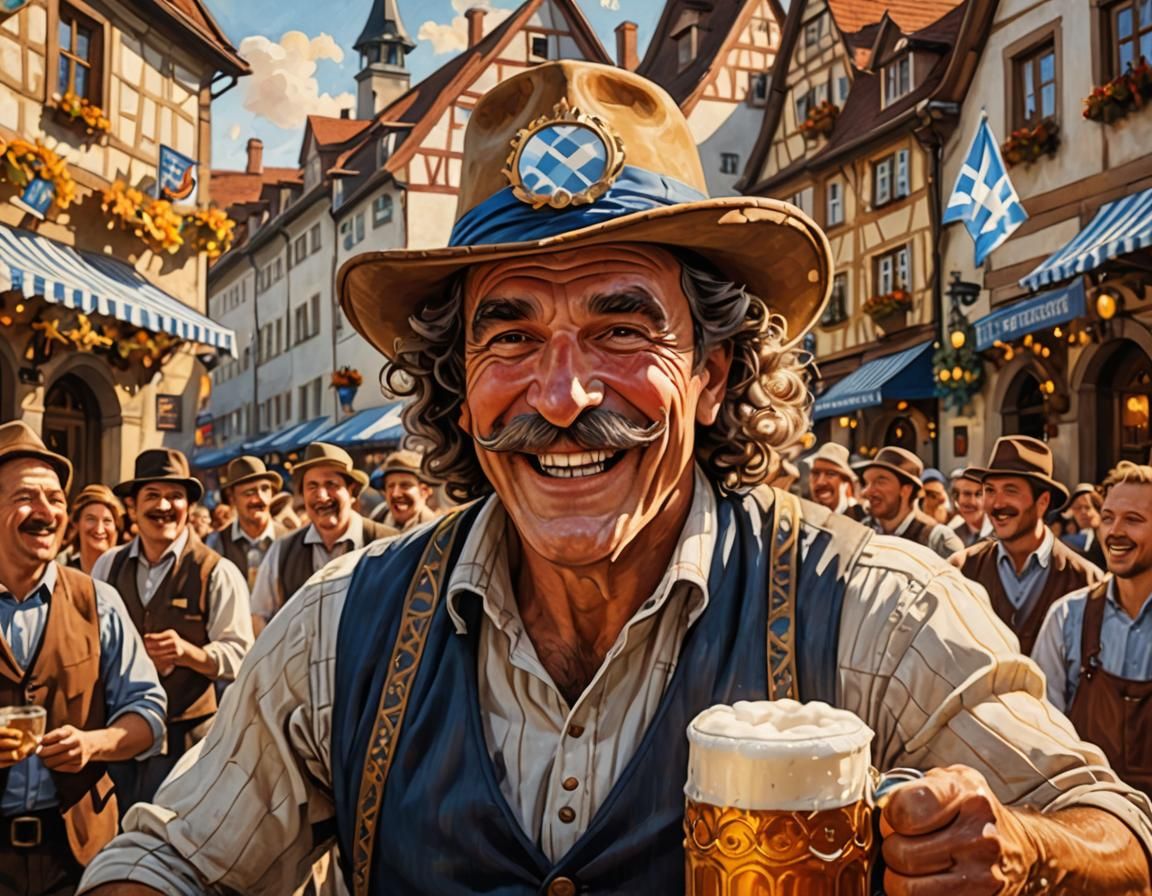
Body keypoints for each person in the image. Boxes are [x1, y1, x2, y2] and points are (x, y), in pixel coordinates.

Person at [79, 62, 1152, 896]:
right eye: (511, 334)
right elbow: (174, 858)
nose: (560, 394)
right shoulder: (338, 629)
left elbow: (1113, 827)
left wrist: (1023, 850)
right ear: (458, 386)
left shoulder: (873, 605)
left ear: (715, 371)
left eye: (620, 325)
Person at [0, 423, 166, 895]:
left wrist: (94, 744)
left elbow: (149, 716)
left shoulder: (100, 601)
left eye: (55, 499)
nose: (46, 512)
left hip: (79, 857)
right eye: (27, 497)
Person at [90, 449, 253, 807]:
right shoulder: (107, 566)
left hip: (188, 741)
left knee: (176, 845)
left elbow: (241, 656)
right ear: (132, 506)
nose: (164, 506)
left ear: (188, 507)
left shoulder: (218, 572)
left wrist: (188, 654)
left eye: (175, 496)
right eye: (153, 496)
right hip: (119, 735)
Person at [1033, 461, 1152, 799]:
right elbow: (1044, 735)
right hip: (1091, 819)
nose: (1115, 531)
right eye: (1109, 517)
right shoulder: (1068, 616)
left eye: (1133, 520)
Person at [950, 436, 1104, 655]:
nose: (997, 504)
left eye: (1010, 491)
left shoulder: (1086, 580)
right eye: (990, 491)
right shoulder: (961, 569)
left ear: (1042, 502)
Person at [248, 442, 396, 634]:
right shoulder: (282, 550)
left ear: (352, 492)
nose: (322, 495)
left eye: (331, 484)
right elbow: (259, 615)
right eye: (312, 486)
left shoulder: (389, 545)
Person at [857, 447, 965, 559]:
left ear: (906, 490)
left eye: (880, 482)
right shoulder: (860, 533)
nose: (866, 492)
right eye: (866, 483)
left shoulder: (937, 539)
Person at [205, 456, 288, 589]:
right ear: (232, 498)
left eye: (265, 489)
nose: (259, 498)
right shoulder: (217, 542)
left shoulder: (289, 539)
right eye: (249, 493)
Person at [368, 449, 439, 531]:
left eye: (405, 485)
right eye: (391, 486)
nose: (396, 494)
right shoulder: (379, 515)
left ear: (424, 491)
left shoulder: (434, 530)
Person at [62, 485, 124, 575]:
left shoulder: (128, 573)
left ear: (116, 526)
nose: (99, 529)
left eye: (107, 521)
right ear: (76, 524)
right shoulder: (59, 573)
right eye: (91, 519)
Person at [805, 443, 864, 521]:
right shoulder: (802, 516)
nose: (820, 482)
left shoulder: (861, 518)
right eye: (816, 473)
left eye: (830, 474)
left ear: (845, 482)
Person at [1063, 482, 1107, 570]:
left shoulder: (1106, 533)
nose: (1083, 513)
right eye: (1077, 508)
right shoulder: (1093, 534)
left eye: (1087, 507)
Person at [948, 467, 990, 548]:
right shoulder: (954, 536)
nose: (972, 502)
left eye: (978, 494)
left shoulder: (1002, 533)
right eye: (957, 494)